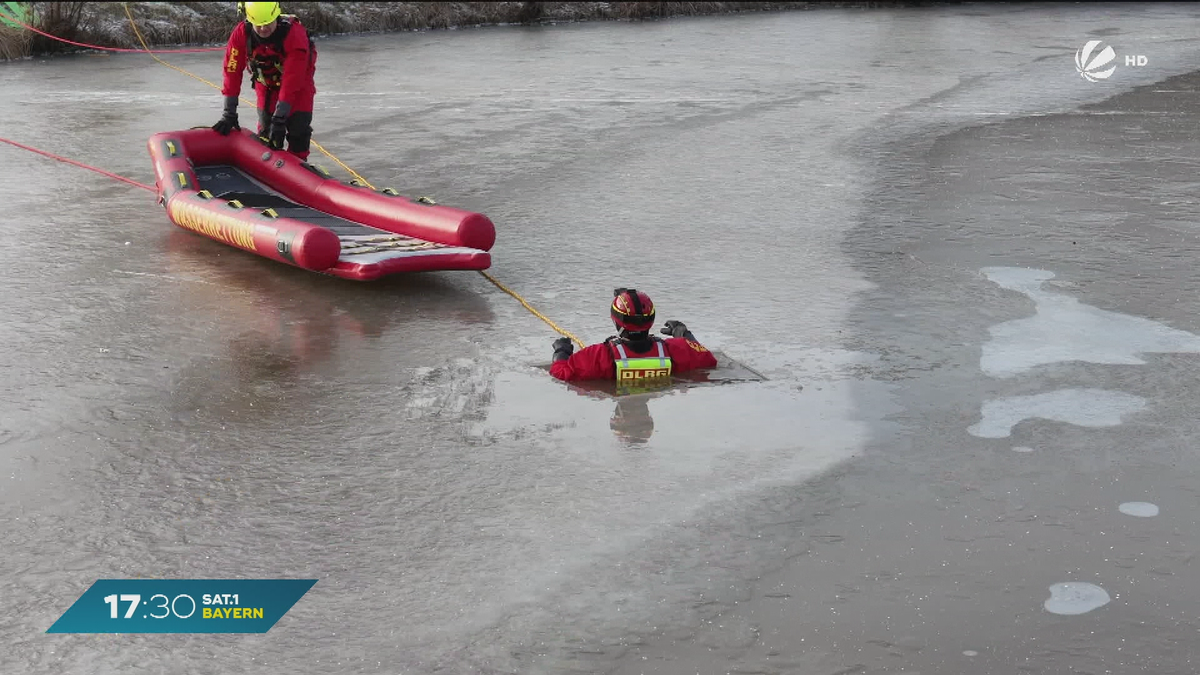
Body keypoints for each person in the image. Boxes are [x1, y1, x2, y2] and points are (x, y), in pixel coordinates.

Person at [212, 2, 317, 161]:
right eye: (258, 25)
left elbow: (293, 79)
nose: (263, 29)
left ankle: (299, 165)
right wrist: (229, 112)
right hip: (266, 85)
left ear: (276, 17)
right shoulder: (242, 33)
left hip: (299, 87)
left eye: (267, 24)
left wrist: (281, 116)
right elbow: (232, 70)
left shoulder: (294, 35)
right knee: (266, 134)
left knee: (299, 132)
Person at [550, 288, 718, 385]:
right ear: (651, 319)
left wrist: (561, 351)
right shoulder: (676, 349)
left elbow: (560, 374)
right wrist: (684, 333)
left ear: (616, 320)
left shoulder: (598, 356)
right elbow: (707, 358)